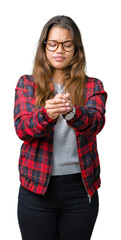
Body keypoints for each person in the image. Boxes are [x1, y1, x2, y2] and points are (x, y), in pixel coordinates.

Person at [14, 15, 107, 240]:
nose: (59, 50)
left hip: (80, 188)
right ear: (44, 47)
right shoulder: (27, 83)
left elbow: (95, 123)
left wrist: (72, 112)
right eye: (53, 44)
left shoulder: (93, 85)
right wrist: (46, 114)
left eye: (67, 44)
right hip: (36, 188)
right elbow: (22, 129)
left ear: (76, 49)